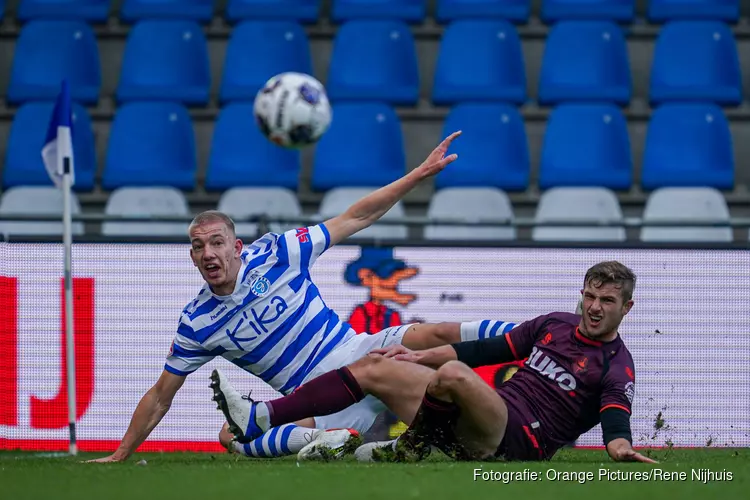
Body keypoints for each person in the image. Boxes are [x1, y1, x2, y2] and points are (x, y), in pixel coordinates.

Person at [87, 131, 471, 463]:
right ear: (192, 256)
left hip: (359, 354)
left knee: (430, 334)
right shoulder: (197, 323)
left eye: (216, 243)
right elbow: (160, 395)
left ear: (236, 247)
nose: (208, 253)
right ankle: (328, 441)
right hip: (318, 401)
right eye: (199, 246)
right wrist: (121, 453)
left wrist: (418, 175)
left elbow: (355, 217)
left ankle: (524, 335)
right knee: (229, 435)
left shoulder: (278, 252)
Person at [211, 261, 656, 464]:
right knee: (375, 365)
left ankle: (410, 445)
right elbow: (487, 350)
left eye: (607, 301)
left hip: (517, 444)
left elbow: (616, 418)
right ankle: (259, 416)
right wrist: (414, 355)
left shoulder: (617, 364)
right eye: (590, 296)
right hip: (475, 421)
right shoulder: (555, 324)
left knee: (454, 375)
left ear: (627, 307)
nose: (595, 307)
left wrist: (620, 448)